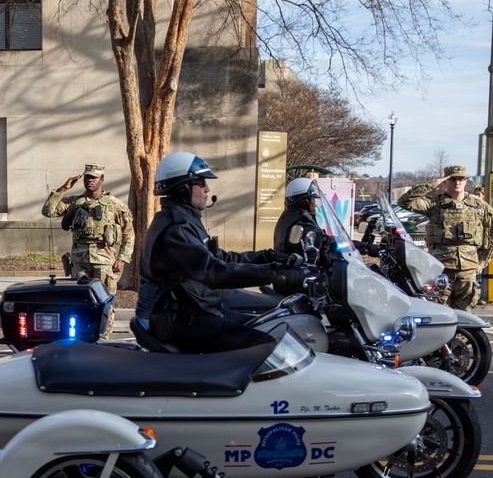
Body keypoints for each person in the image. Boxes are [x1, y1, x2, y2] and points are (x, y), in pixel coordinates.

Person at [135, 151, 306, 354]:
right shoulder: (176, 230)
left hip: (193, 311)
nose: (207, 189)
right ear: (183, 188)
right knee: (272, 347)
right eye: (201, 183)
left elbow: (220, 258)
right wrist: (276, 273)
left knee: (270, 323)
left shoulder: (185, 220)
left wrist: (266, 257)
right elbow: (214, 272)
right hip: (181, 321)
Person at [42, 163, 134, 339]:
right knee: (80, 300)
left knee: (105, 301)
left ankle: (103, 337)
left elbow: (129, 233)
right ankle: (83, 335)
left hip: (104, 261)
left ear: (102, 180)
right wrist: (63, 188)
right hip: (79, 261)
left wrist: (122, 258)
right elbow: (48, 211)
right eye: (86, 177)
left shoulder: (115, 205)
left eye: (93, 177)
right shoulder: (75, 202)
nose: (89, 181)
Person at [396, 165, 493, 310]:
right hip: (440, 268)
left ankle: (463, 334)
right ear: (445, 181)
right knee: (440, 312)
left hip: (468, 270)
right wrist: (430, 185)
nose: (457, 182)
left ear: (465, 181)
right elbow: (404, 202)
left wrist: (482, 261)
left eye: (461, 179)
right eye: (452, 179)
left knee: (465, 314)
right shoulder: (434, 204)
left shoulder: (479, 206)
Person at [273, 177, 324, 254]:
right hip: (295, 264)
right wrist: (332, 240)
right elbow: (319, 239)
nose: (315, 205)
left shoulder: (287, 217)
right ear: (305, 202)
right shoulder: (301, 223)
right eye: (313, 200)